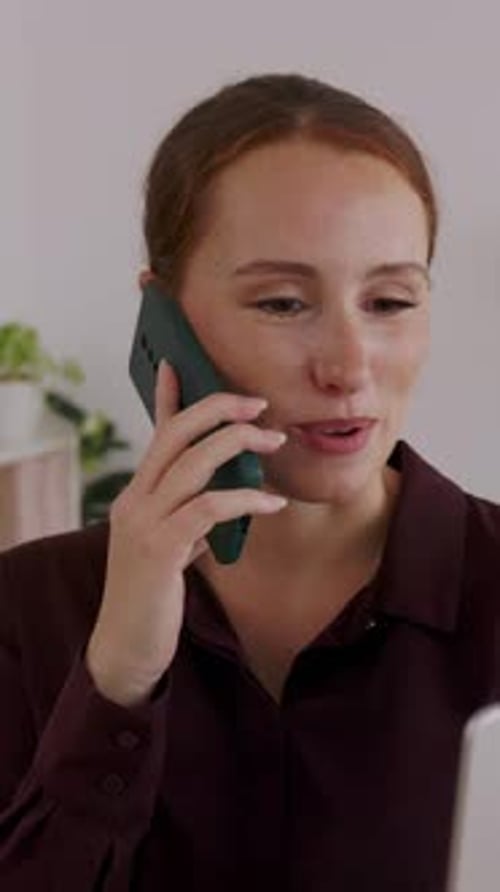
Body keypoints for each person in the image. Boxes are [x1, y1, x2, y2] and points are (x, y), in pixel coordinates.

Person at [1, 72, 500, 892]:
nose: (348, 368)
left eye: (389, 300)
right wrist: (116, 681)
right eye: (280, 303)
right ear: (161, 323)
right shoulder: (27, 607)